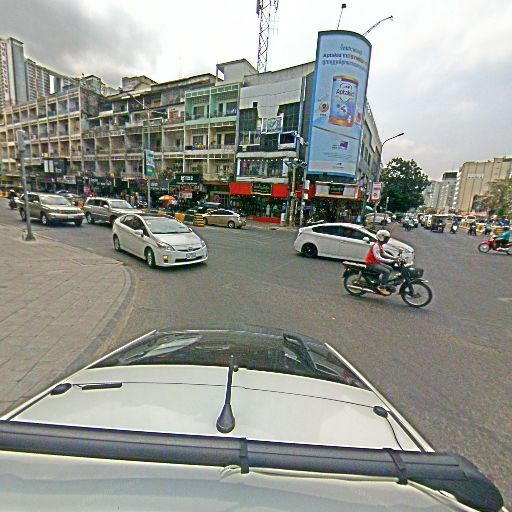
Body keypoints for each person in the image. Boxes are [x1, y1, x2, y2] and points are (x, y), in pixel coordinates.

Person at [365, 229, 396, 296]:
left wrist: (394, 258)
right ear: (381, 237)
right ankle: (381, 287)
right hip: (371, 263)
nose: (387, 240)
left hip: (376, 262)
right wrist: (391, 261)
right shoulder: (376, 246)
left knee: (390, 268)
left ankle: (383, 281)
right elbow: (378, 258)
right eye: (386, 238)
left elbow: (383, 253)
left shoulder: (380, 245)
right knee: (386, 271)